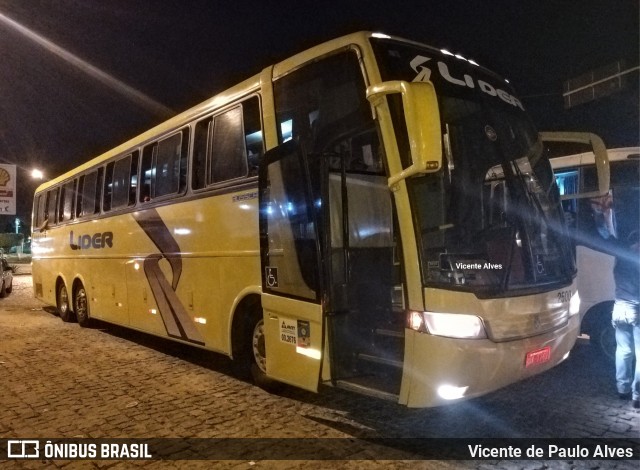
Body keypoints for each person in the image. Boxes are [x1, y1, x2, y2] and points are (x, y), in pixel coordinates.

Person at [611, 231, 640, 408]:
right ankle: (637, 396)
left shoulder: (620, 259)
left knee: (623, 350)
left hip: (620, 307)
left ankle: (622, 389)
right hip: (637, 307)